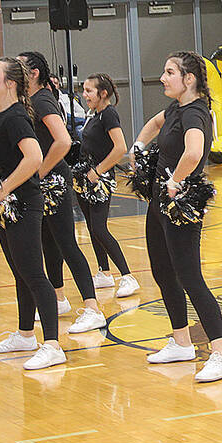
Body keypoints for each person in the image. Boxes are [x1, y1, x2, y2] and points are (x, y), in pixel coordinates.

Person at [130, 51, 222, 383]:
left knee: (191, 279)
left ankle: (221, 355)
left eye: (169, 72)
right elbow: (156, 123)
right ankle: (181, 342)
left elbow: (193, 151)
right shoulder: (176, 108)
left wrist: (175, 181)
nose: (163, 78)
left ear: (188, 79)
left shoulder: (196, 114)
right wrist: (138, 145)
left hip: (181, 202)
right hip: (159, 201)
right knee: (162, 272)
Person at [0, 57, 66, 371]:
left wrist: (3, 189)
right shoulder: (2, 115)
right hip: (8, 206)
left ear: (11, 83)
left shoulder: (16, 116)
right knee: (20, 271)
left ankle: (53, 345)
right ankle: (25, 335)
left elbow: (34, 157)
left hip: (24, 203)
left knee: (33, 274)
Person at [18, 51, 104, 335]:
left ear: (33, 74)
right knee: (49, 244)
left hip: (53, 181)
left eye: (20, 68)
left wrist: (40, 171)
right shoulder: (32, 100)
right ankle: (58, 299)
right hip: (42, 185)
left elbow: (64, 141)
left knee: (67, 244)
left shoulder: (42, 99)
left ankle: (92, 308)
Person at [78, 73, 139, 298]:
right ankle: (104, 273)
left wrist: (99, 171)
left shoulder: (109, 114)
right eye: (84, 90)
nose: (84, 95)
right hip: (87, 177)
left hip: (99, 179)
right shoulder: (94, 115)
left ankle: (127, 276)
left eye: (89, 91)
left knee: (100, 228)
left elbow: (120, 147)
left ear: (103, 93)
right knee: (92, 227)